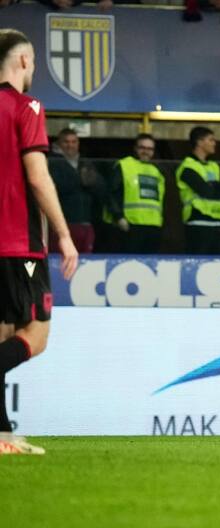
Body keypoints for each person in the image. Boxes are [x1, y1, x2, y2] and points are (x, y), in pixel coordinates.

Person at [0, 29, 78, 455]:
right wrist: (64, 235)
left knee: (3, 336)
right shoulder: (26, 106)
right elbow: (37, 174)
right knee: (37, 333)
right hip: (16, 244)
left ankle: (2, 436)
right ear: (24, 61)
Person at [104, 134, 165, 254]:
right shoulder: (123, 165)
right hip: (130, 226)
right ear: (135, 148)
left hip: (153, 226)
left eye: (150, 149)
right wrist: (119, 217)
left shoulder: (157, 171)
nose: (146, 152)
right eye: (142, 148)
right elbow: (111, 193)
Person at [176, 126, 220, 255]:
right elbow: (205, 191)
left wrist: (214, 186)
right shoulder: (187, 166)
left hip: (219, 222)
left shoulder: (214, 166)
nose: (214, 143)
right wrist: (215, 186)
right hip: (198, 222)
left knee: (218, 267)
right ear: (199, 142)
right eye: (211, 140)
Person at [48, 128, 104, 253]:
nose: (70, 145)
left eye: (74, 142)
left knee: (85, 262)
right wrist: (81, 180)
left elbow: (101, 188)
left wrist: (93, 182)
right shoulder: (51, 162)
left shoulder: (86, 163)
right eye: (66, 142)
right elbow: (56, 187)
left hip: (86, 223)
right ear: (59, 144)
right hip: (62, 224)